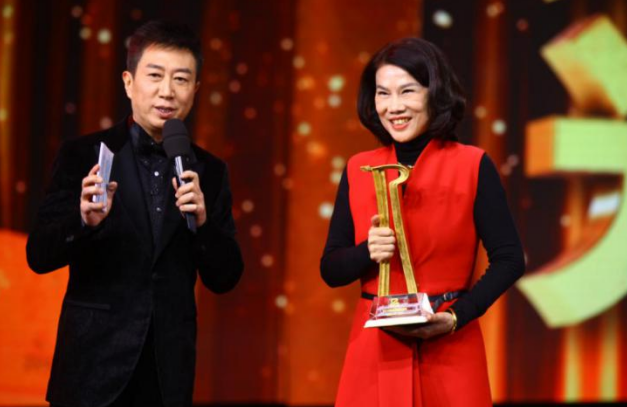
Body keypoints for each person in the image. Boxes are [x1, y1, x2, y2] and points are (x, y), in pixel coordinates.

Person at [26, 20, 244, 407]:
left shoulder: (209, 171)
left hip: (167, 372)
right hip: (91, 367)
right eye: (155, 75)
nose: (167, 91)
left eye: (181, 79)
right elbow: (39, 256)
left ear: (195, 89)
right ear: (128, 82)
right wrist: (83, 221)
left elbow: (226, 277)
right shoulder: (82, 154)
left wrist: (203, 224)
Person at [320, 37, 525, 406]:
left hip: (451, 344)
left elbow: (510, 259)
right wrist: (368, 251)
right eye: (383, 93)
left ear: (435, 93)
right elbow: (331, 269)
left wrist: (456, 317)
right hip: (374, 348)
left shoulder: (472, 165)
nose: (394, 107)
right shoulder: (358, 168)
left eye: (408, 91)